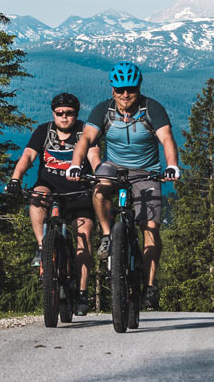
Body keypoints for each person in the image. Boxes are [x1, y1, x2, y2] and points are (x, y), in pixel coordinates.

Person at [68, 61, 180, 310]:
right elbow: (86, 138)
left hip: (147, 172)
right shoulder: (103, 110)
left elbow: (167, 139)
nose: (125, 94)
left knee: (150, 228)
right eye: (120, 90)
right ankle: (108, 234)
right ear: (112, 91)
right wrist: (75, 164)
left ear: (138, 88)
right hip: (114, 167)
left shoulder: (152, 109)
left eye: (130, 89)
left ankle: (149, 286)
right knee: (99, 187)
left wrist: (171, 165)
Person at [6, 92, 102, 315]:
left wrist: (100, 176)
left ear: (76, 114)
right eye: (60, 113)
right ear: (54, 114)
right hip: (49, 186)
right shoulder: (44, 131)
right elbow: (28, 156)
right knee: (37, 196)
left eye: (69, 113)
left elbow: (94, 157)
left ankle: (81, 293)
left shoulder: (85, 133)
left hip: (79, 192)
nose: (64, 117)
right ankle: (42, 247)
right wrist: (15, 179)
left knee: (84, 238)